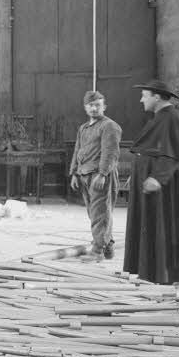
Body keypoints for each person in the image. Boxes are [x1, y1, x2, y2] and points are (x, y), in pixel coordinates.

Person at [123, 79, 179, 284]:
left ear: (156, 97)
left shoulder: (172, 118)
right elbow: (153, 147)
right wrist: (138, 172)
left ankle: (166, 275)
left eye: (144, 95)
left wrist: (158, 177)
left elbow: (173, 153)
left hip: (164, 183)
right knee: (152, 224)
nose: (141, 100)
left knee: (164, 224)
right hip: (152, 178)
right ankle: (152, 273)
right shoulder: (161, 116)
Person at [68, 90, 123, 260]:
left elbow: (110, 152)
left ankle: (97, 251)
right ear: (85, 107)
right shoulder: (83, 128)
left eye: (97, 105)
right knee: (96, 213)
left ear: (104, 107)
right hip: (84, 175)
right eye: (90, 105)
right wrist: (74, 173)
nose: (94, 108)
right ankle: (107, 246)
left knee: (100, 214)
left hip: (100, 177)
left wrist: (103, 174)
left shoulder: (109, 126)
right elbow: (78, 150)